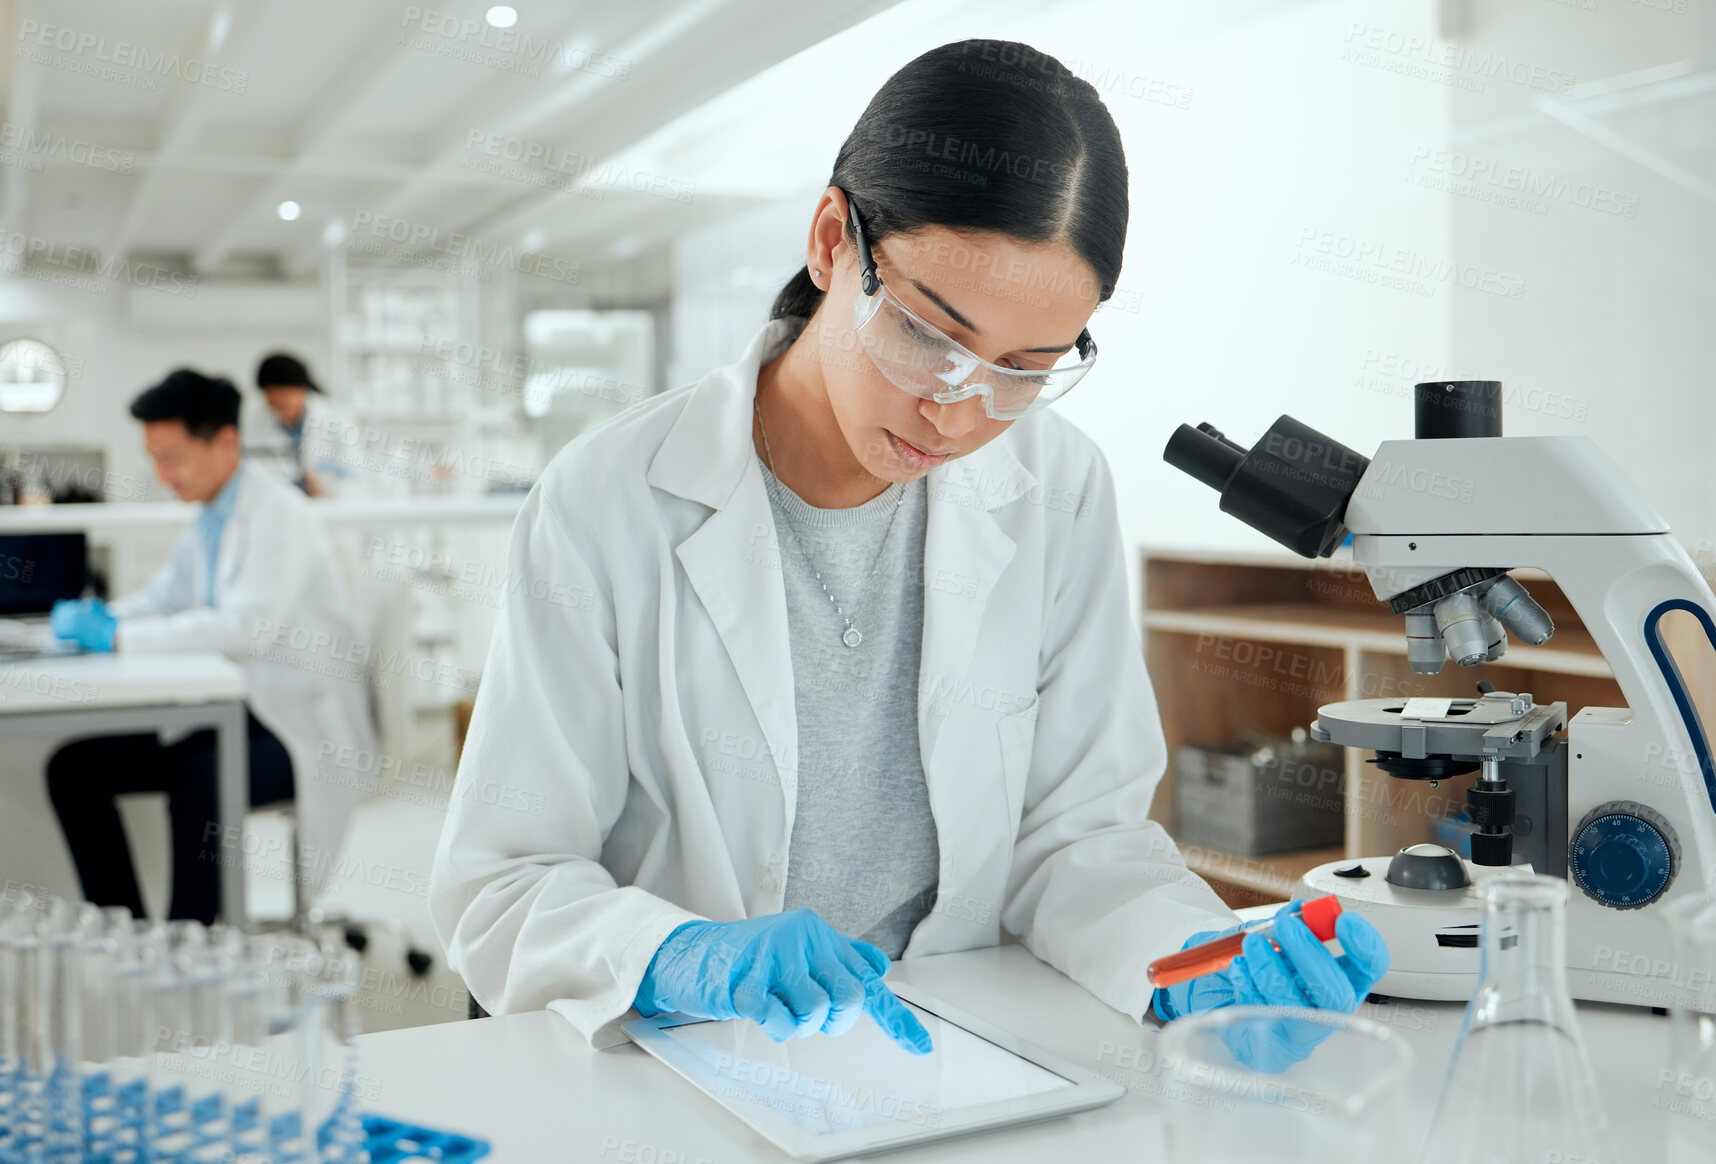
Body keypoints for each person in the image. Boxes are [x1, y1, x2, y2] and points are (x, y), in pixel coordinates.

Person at [430, 39, 1388, 1062]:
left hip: (957, 1054)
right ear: (833, 239)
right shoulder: (607, 499)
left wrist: (1192, 956)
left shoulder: (1056, 492)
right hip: (688, 1065)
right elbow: (503, 883)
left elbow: (1078, 838)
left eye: (1022, 370)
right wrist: (676, 954)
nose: (958, 408)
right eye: (931, 334)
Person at [46, 369, 375, 923]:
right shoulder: (212, 516)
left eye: (172, 455)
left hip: (298, 728)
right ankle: (130, 935)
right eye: (154, 457)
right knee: (74, 769)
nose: (162, 473)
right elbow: (164, 597)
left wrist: (118, 637)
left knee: (201, 776)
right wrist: (102, 618)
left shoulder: (278, 516)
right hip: (240, 712)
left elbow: (245, 627)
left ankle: (187, 951)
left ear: (225, 441)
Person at [255, 352, 350, 497]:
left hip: (330, 508)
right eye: (273, 402)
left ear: (302, 390)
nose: (279, 408)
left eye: (284, 398)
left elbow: (355, 478)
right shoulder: (258, 423)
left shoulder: (335, 420)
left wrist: (324, 487)